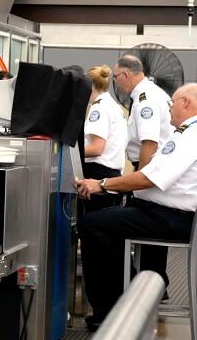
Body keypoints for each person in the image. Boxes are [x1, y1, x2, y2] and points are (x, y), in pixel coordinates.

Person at [75, 83, 197, 332]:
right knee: (107, 220)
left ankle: (111, 310)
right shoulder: (186, 132)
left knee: (93, 225)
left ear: (187, 102)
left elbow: (149, 178)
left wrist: (102, 184)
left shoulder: (190, 134)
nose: (170, 109)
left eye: (173, 103)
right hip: (163, 212)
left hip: (172, 217)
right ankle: (128, 290)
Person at [112, 54, 172, 290]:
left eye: (116, 78)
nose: (116, 83)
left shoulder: (145, 99)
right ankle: (155, 285)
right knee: (152, 235)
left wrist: (140, 180)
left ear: (126, 74)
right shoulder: (154, 93)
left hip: (150, 168)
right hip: (157, 170)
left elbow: (149, 143)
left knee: (144, 227)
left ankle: (150, 285)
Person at [81, 65, 128, 212]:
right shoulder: (114, 106)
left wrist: (71, 153)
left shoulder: (99, 107)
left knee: (91, 225)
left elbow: (96, 148)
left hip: (97, 173)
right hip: (111, 173)